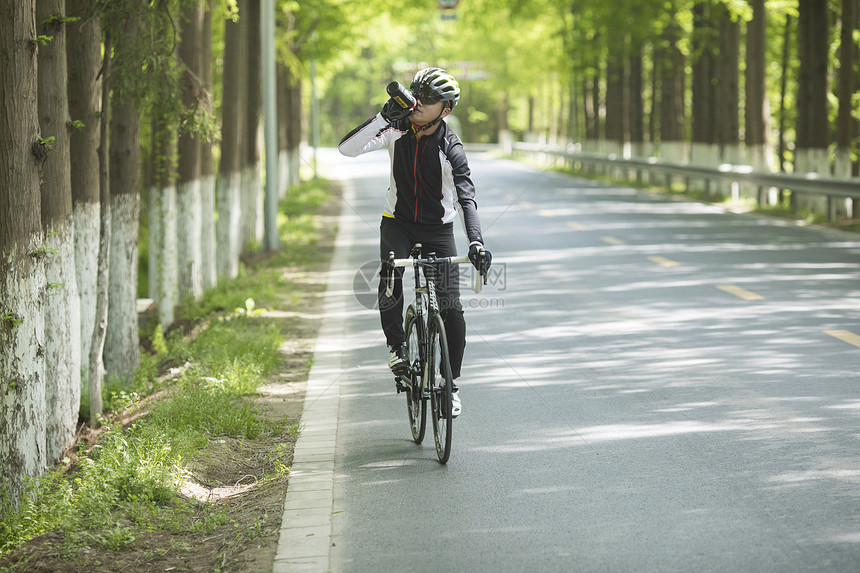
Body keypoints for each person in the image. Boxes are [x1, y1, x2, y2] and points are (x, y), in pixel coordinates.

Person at [338, 67, 491, 417]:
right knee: (390, 275)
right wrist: (382, 117)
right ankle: (396, 346)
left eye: (429, 99)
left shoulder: (451, 148)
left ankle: (449, 383)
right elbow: (348, 149)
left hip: (438, 229)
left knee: (452, 308)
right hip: (398, 224)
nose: (419, 102)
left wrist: (476, 243)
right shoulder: (395, 129)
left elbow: (467, 200)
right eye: (416, 93)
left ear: (446, 109)